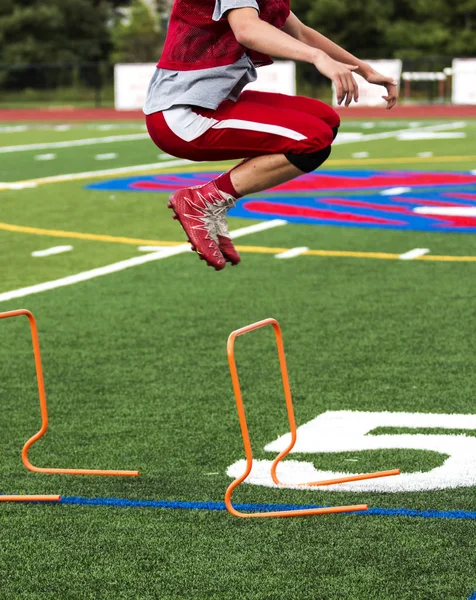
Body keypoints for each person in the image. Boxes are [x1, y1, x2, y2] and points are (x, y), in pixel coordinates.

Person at [144, 0, 398, 270]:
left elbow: (301, 32)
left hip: (213, 104)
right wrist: (317, 57)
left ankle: (209, 198)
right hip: (180, 115)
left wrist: (364, 69)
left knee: (326, 121)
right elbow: (246, 29)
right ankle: (203, 200)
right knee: (312, 140)